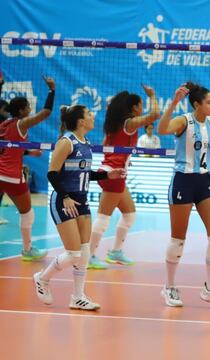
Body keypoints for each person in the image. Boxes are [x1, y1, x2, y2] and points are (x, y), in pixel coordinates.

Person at [33, 105, 125, 310]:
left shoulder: (86, 142)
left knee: (83, 252)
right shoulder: (66, 142)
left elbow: (83, 173)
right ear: (81, 121)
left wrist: (106, 175)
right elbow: (52, 173)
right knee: (74, 254)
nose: (93, 116)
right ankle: (42, 278)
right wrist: (65, 197)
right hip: (64, 200)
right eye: (89, 114)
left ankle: (78, 297)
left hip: (82, 201)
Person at [157, 81, 210, 308]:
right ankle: (169, 287)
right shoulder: (184, 121)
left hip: (204, 181)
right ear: (197, 104)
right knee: (178, 239)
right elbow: (162, 129)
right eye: (209, 102)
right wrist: (174, 103)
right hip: (183, 181)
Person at [87, 85, 160, 269]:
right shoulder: (129, 122)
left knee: (129, 214)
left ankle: (115, 252)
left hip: (114, 171)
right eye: (141, 104)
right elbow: (154, 115)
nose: (142, 107)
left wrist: (125, 160)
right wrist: (152, 96)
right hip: (113, 174)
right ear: (134, 107)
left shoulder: (114, 124)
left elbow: (110, 147)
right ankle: (87, 256)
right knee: (103, 218)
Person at [0, 75, 55, 261]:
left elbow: (8, 149)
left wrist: (29, 152)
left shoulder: (3, 125)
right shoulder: (21, 123)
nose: (31, 110)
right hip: (12, 176)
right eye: (29, 107)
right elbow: (46, 112)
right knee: (27, 213)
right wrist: (52, 90)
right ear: (22, 111)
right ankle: (27, 250)